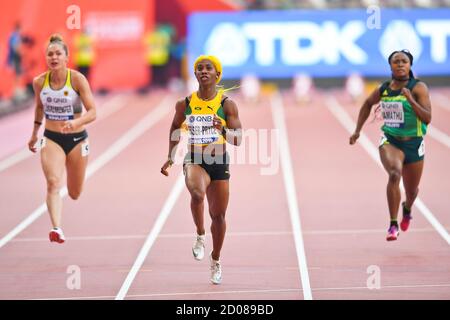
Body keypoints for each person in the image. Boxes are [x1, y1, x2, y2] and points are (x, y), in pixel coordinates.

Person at [161, 55, 242, 284]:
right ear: (195, 75)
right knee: (197, 193)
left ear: (217, 74)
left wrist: (223, 130)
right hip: (195, 158)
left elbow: (238, 140)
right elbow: (175, 126)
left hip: (219, 162)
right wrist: (170, 154)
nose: (203, 71)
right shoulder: (185, 104)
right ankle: (199, 234)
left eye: (208, 68)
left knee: (219, 215)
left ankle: (215, 258)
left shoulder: (227, 105)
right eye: (199, 68)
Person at [349, 49, 432, 241]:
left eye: (404, 61)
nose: (401, 64)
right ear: (390, 66)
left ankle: (407, 208)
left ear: (410, 65)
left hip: (414, 144)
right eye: (396, 62)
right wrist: (357, 130)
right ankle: (393, 224)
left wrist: (410, 99)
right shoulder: (384, 88)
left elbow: (427, 118)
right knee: (395, 174)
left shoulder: (419, 88)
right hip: (391, 140)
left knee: (411, 191)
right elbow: (367, 104)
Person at [27, 34, 97, 244]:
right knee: (53, 182)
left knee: (75, 192)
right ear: (46, 58)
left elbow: (93, 111)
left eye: (58, 53)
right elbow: (40, 108)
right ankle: (56, 228)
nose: (54, 57)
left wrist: (76, 123)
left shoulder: (76, 79)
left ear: (66, 57)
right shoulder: (39, 82)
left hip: (77, 139)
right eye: (50, 54)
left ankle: (62, 215)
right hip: (52, 138)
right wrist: (34, 134)